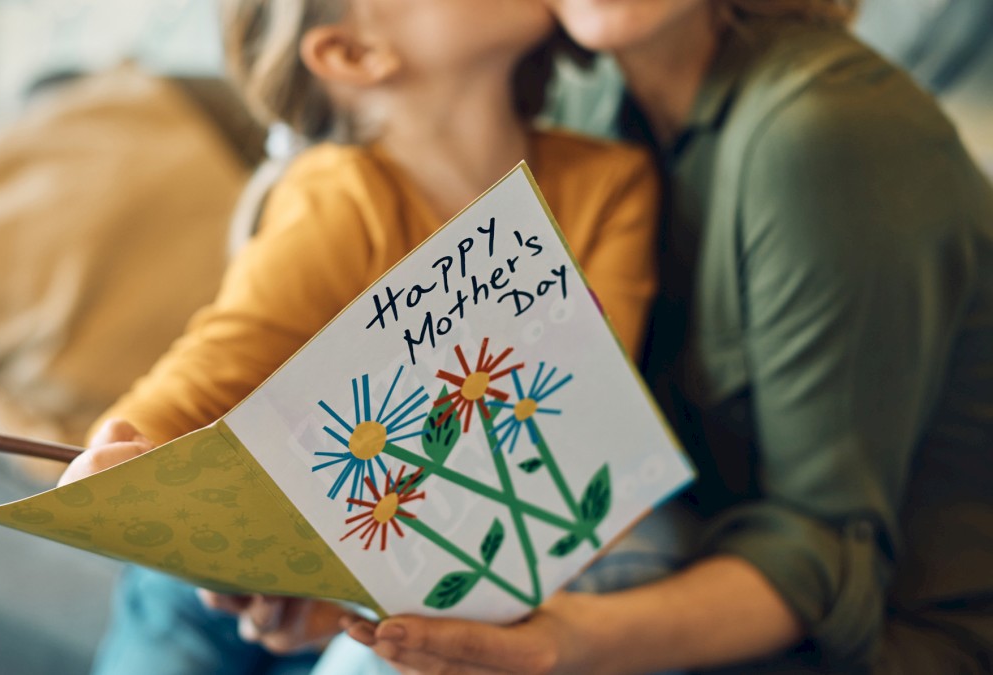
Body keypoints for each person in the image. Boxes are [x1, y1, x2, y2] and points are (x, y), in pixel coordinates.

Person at [327, 0, 993, 673]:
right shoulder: (589, 107)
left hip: (876, 639)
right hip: (679, 560)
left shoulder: (825, 131)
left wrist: (563, 640)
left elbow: (822, 555)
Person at [60, 0, 666, 673]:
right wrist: (117, 460)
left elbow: (581, 434)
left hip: (397, 591)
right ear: (355, 55)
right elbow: (194, 385)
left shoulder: (610, 186)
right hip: (213, 598)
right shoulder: (338, 196)